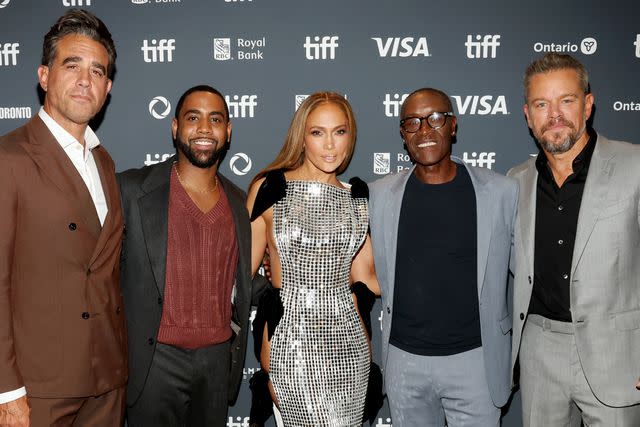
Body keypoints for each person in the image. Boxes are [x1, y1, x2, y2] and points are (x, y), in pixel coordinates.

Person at [0, 9, 126, 427]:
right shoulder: (9, 158)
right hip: (38, 387)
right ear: (44, 75)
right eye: (72, 65)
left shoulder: (105, 162)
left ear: (108, 88)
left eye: (97, 71)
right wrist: (7, 389)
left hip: (106, 378)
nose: (85, 80)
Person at [369, 88, 518, 427]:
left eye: (435, 118)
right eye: (412, 122)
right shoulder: (379, 196)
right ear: (403, 134)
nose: (424, 130)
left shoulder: (500, 192)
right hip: (404, 362)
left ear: (453, 125)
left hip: (476, 361)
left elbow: (526, 277)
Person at [509, 52, 640, 426]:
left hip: (618, 354)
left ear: (588, 105)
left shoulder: (634, 166)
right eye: (541, 104)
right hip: (539, 348)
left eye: (566, 101)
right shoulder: (516, 181)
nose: (554, 115)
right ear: (528, 115)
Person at [118, 85, 260, 426]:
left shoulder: (242, 204)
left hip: (215, 361)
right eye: (193, 118)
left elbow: (247, 280)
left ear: (228, 131)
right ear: (175, 127)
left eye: (215, 119)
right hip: (154, 362)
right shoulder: (131, 190)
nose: (204, 128)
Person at [247, 92, 379, 426]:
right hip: (290, 346)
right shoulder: (271, 188)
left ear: (351, 137)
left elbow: (365, 280)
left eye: (340, 131)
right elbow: (240, 275)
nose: (330, 145)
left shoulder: (357, 198)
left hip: (348, 348)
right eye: (318, 132)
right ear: (302, 138)